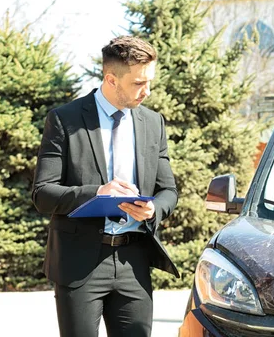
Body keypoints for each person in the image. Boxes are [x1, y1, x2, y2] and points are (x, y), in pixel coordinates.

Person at [32, 36, 179, 337]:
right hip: (79, 265)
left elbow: (168, 191)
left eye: (149, 81)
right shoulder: (64, 120)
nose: (147, 91)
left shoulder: (153, 123)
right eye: (139, 83)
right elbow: (43, 193)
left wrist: (153, 210)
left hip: (134, 261)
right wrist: (97, 192)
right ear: (111, 79)